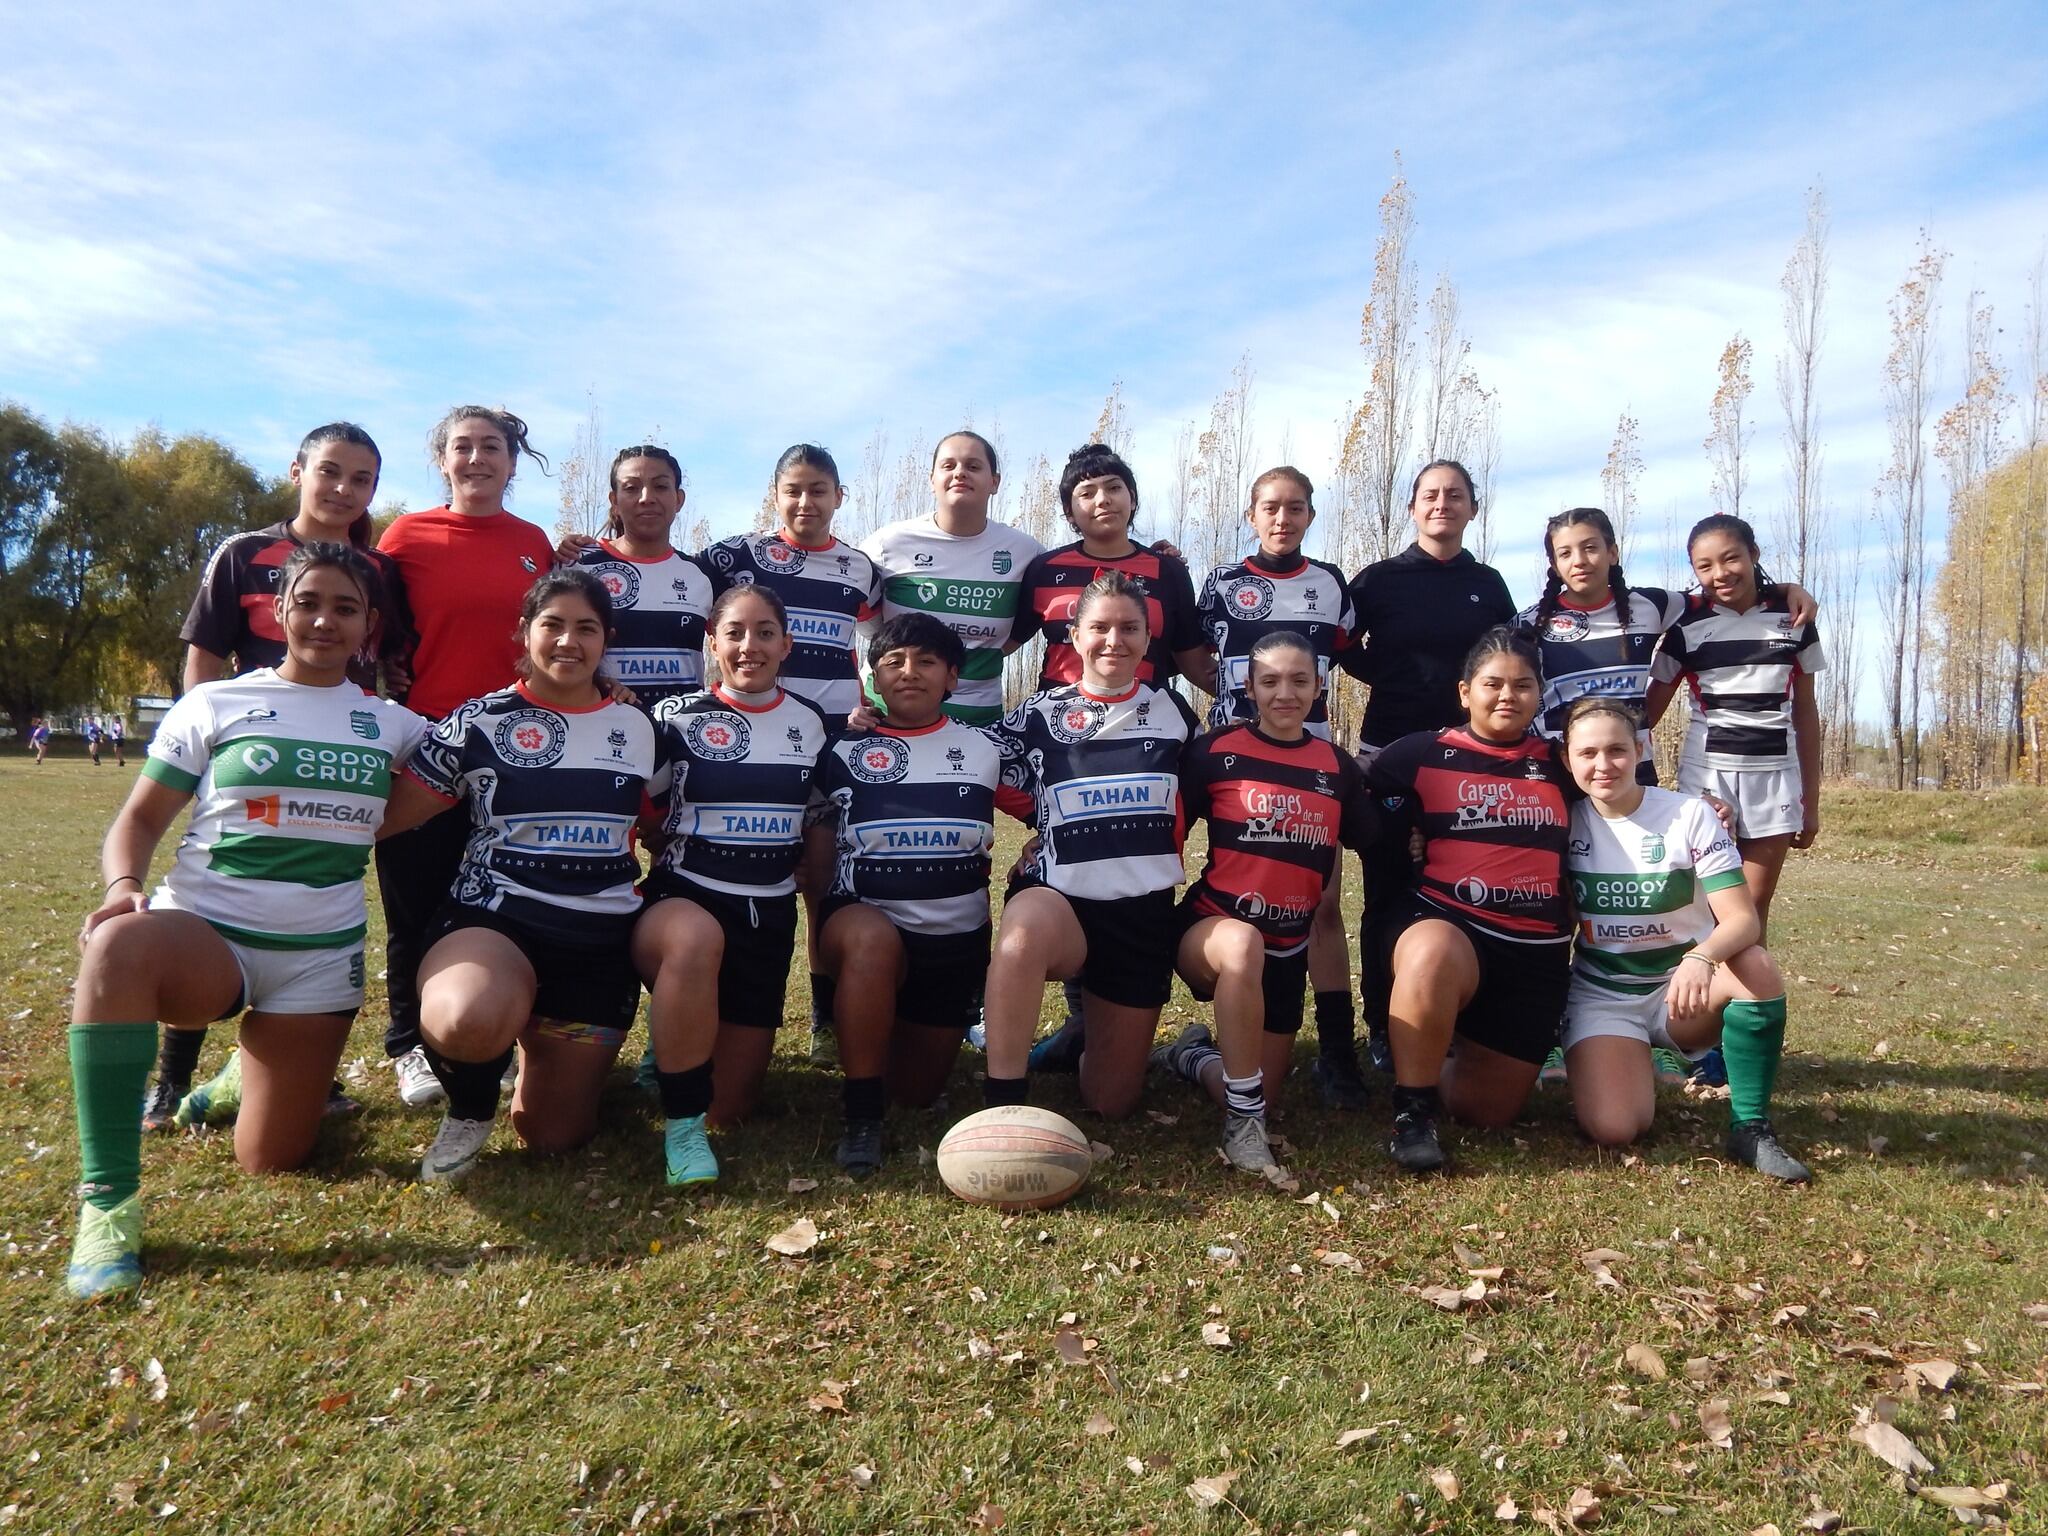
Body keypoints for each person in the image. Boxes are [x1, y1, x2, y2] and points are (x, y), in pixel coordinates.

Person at [62, 543, 429, 1299]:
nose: (325, 620)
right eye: (310, 603)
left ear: (370, 626)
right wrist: (125, 885)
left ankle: (233, 1083)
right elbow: (137, 820)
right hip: (208, 936)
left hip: (319, 959)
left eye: (346, 608)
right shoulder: (217, 702)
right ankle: (107, 1205)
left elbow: (445, 787)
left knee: (271, 1158)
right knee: (116, 946)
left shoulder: (393, 725)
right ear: (279, 610)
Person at [144, 422, 412, 1132]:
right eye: (331, 472)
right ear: (298, 472)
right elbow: (204, 655)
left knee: (312, 900)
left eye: (361, 480)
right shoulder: (242, 553)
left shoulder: (379, 571)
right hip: (247, 748)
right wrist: (197, 749)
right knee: (210, 896)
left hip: (335, 754)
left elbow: (393, 665)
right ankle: (170, 1081)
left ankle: (281, 1072)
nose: (344, 489)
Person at [378, 568, 662, 1183]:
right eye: (552, 624)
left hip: (596, 942)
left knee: (554, 1137)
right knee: (466, 1020)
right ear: (524, 633)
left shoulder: (638, 727)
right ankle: (472, 1102)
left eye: (586, 628)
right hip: (496, 921)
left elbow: (663, 825)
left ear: (606, 640)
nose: (569, 641)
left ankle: (538, 1045)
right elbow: (388, 820)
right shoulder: (476, 721)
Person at [1523, 506, 1815, 1090]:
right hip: (1561, 779)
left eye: (1591, 547)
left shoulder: (1657, 606)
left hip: (1633, 776)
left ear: (1612, 551)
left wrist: (1784, 587)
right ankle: (1557, 1031)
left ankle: (1675, 1030)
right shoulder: (1531, 620)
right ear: (1552, 564)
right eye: (1565, 552)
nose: (1579, 561)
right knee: (1561, 912)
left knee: (1669, 903)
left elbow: (1720, 586)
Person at [374, 407, 556, 1113]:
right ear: (441, 459)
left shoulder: (534, 542)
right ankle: (407, 1044)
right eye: (462, 447)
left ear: (512, 462)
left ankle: (490, 1033)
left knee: (496, 895)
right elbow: (375, 630)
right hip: (427, 743)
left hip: (517, 752)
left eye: (491, 447)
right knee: (412, 899)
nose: (477, 458)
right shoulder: (406, 536)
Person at [1012, 443, 1213, 1073]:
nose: (1103, 500)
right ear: (1071, 509)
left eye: (1114, 487)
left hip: (1141, 741)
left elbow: (1192, 657)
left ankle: (1107, 1026)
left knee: (1125, 866)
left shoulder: (1166, 570)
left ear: (1132, 497)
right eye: (1087, 492)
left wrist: (1262, 705)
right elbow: (994, 642)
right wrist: (907, 694)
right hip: (1061, 748)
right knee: (1067, 872)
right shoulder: (1045, 569)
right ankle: (1080, 1019)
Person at [977, 571, 1199, 1119]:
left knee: (1111, 1102)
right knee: (1023, 930)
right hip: (1061, 904)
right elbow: (968, 760)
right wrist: (1042, 822)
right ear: (1075, 636)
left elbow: (1216, 785)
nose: (1113, 640)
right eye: (1099, 627)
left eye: (1129, 628)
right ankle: (1004, 1102)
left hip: (1141, 915)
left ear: (1149, 639)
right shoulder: (1040, 713)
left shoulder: (1175, 712)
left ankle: (1100, 1041)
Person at [1557, 698, 1809, 1181]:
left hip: (1683, 993)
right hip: (1604, 998)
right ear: (1568, 760)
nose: (1603, 765)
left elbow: (1742, 920)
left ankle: (1751, 1127)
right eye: (1587, 754)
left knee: (1753, 963)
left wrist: (1702, 956)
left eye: (1617, 750)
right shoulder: (1565, 822)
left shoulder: (1689, 814)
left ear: (1640, 749)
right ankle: (1631, 1057)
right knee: (1614, 1128)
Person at [1152, 631, 1376, 1174]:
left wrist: (1417, 834)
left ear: (1320, 686)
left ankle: (1193, 1056)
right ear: (1248, 686)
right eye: (1270, 680)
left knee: (1255, 1088)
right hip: (1213, 930)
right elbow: (1160, 830)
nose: (1285, 693)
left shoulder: (1337, 767)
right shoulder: (1213, 753)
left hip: (1285, 951)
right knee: (1242, 942)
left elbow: (1378, 841)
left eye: (1299, 680)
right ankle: (1242, 1129)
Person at [1336, 459, 1519, 1098]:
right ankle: (1383, 1027)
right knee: (1390, 884)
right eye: (1430, 495)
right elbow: (1336, 644)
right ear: (1412, 507)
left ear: (1472, 508)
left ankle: (1467, 1021)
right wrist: (1391, 678)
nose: (1443, 504)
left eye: (1456, 495)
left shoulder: (1489, 583)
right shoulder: (1380, 581)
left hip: (1472, 760)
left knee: (1467, 887)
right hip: (1391, 752)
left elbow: (1510, 657)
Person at [634, 584, 829, 1181]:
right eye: (735, 633)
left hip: (767, 915)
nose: (751, 646)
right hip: (686, 899)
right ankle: (681, 1129)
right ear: (712, 643)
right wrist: (654, 834)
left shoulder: (812, 722)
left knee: (733, 1109)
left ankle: (674, 1043)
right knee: (693, 946)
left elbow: (819, 815)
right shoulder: (674, 718)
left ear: (787, 643)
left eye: (765, 632)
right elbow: (637, 802)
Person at [1367, 626, 1573, 1173]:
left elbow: (1628, 799)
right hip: (1449, 922)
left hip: (1535, 949)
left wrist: (1703, 814)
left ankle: (1445, 1046)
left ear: (1540, 692)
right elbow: (1350, 792)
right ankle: (1412, 1112)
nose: (1508, 695)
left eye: (1523, 685)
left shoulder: (1564, 764)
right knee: (1430, 951)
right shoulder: (1418, 753)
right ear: (1465, 692)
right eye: (1493, 684)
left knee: (1489, 1113)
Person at [702, 445, 881, 1057]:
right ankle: (695, 1015)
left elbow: (892, 631)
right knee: (735, 876)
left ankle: (825, 1020)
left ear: (839, 497)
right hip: (747, 737)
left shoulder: (861, 568)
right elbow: (658, 568)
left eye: (819, 490)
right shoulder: (738, 555)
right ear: (776, 495)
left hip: (832, 741)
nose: (807, 502)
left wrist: (875, 701)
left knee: (822, 882)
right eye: (794, 490)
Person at [1194, 467, 1362, 1106]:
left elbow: (1341, 653)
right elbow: (1191, 652)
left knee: (1321, 902)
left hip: (1306, 766)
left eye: (1296, 508)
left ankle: (1338, 1051)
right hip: (1234, 766)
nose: (1282, 519)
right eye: (1270, 507)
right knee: (1232, 888)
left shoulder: (1329, 583)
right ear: (1251, 513)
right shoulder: (1222, 582)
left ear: (1311, 516)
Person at [807, 613, 999, 1172]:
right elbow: (807, 840)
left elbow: (1048, 805)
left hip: (953, 944)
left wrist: (1039, 849)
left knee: (914, 1092)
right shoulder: (839, 750)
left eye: (926, 661)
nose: (908, 673)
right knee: (871, 939)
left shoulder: (987, 749)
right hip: (862, 924)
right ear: (874, 679)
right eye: (893, 662)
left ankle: (883, 1042)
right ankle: (860, 1115)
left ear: (952, 678)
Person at [1645, 514, 1824, 943]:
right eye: (1704, 566)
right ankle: (1690, 1005)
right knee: (1705, 910)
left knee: (1751, 914)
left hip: (1775, 782)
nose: (1720, 573)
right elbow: (1647, 714)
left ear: (1753, 555)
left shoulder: (1795, 618)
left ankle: (1749, 1009)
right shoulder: (1685, 626)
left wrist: (1811, 804)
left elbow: (1805, 714)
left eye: (1731, 559)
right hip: (1707, 778)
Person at [859, 431, 1045, 728]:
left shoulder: (1025, 551)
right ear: (932, 479)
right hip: (888, 718)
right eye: (948, 466)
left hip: (979, 722)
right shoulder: (888, 543)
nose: (960, 473)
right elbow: (863, 623)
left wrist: (983, 651)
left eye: (973, 466)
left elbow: (1025, 628)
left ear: (994, 482)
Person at [571, 445, 712, 713]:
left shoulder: (702, 575)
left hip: (680, 733)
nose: (646, 498)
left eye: (660, 487)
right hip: (600, 729)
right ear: (614, 499)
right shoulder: (579, 566)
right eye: (632, 488)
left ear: (679, 499)